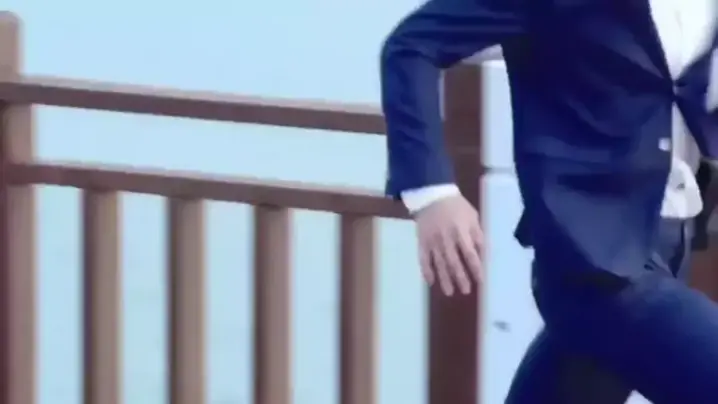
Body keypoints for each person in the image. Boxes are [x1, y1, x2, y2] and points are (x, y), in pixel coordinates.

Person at [379, 0, 718, 402]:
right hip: (592, 258)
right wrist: (432, 192)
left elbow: (680, 85)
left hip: (673, 235)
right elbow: (412, 46)